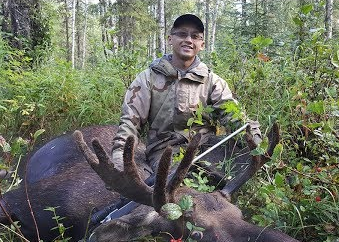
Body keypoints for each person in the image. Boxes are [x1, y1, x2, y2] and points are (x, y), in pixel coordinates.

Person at [111, 14, 261, 172]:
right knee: (175, 187)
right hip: (165, 153)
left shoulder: (212, 81)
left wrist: (256, 139)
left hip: (208, 148)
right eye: (182, 34)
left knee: (238, 170)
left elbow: (234, 117)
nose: (189, 40)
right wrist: (120, 159)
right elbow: (129, 125)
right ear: (170, 39)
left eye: (195, 36)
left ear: (201, 44)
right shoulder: (147, 79)